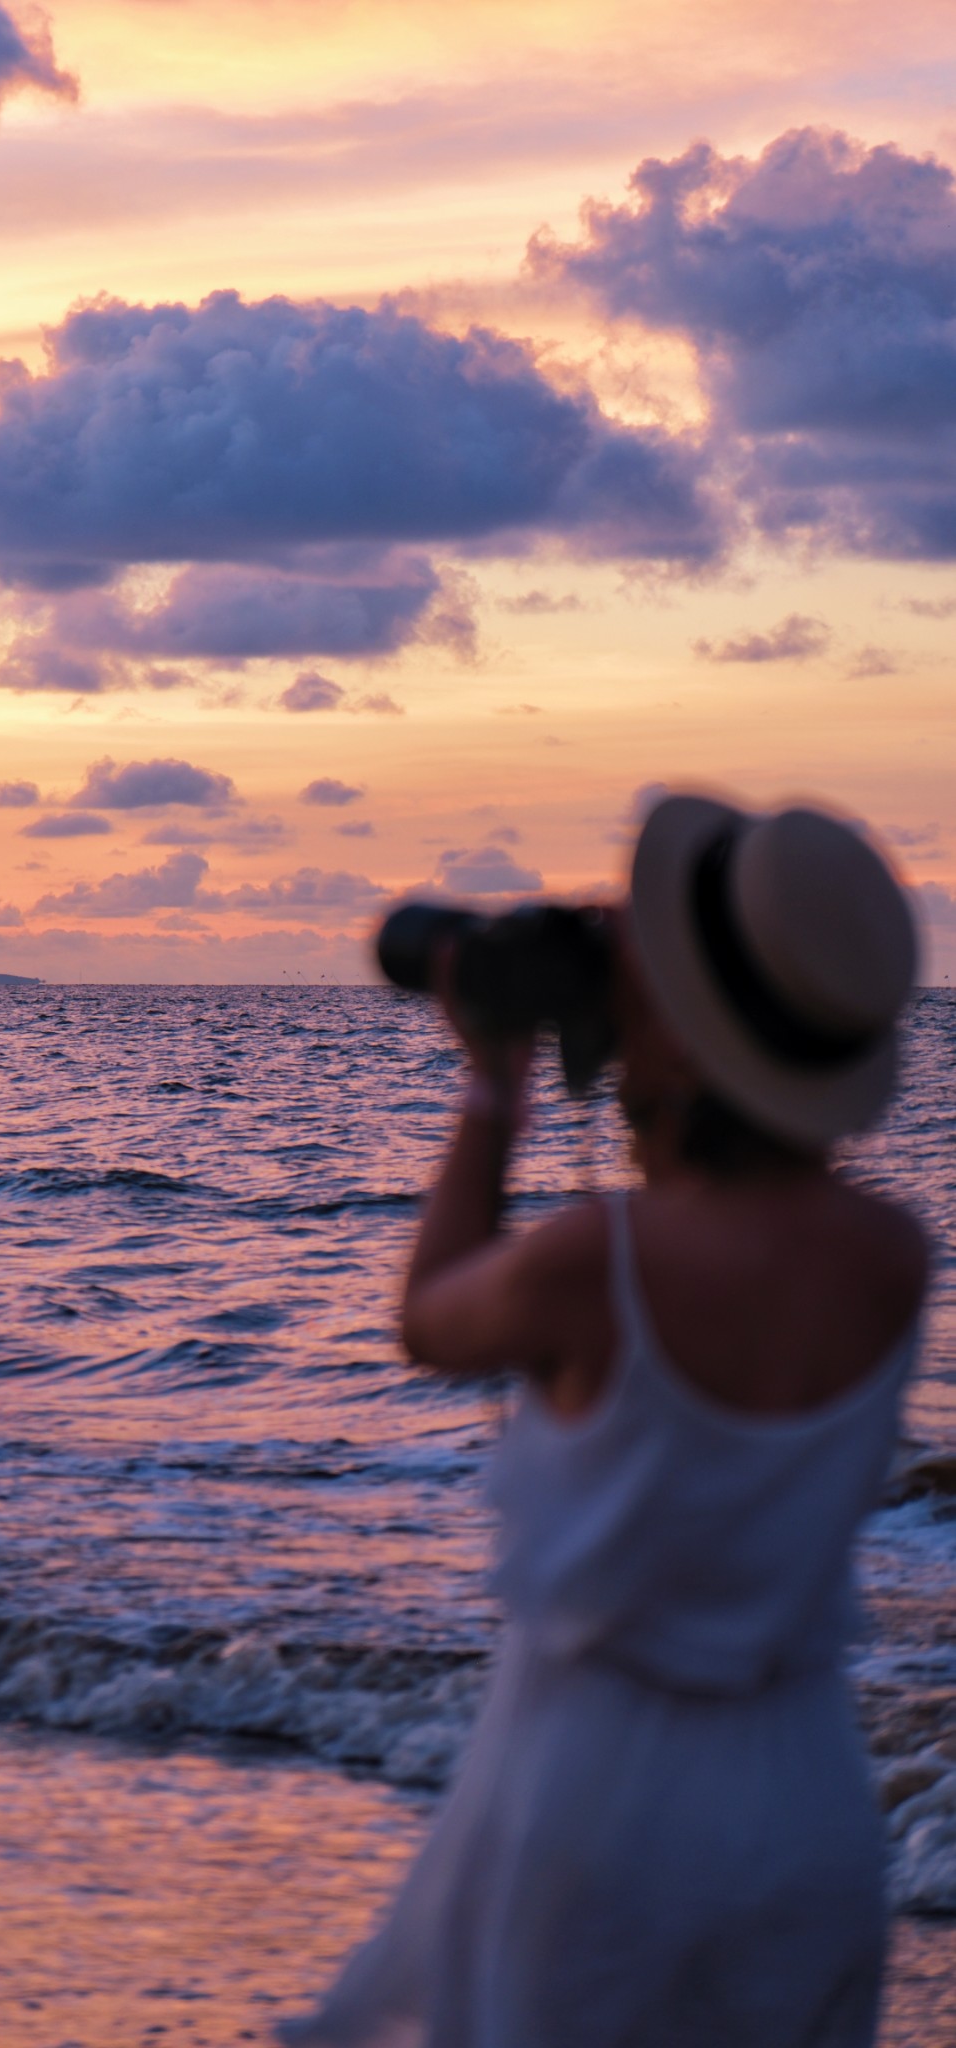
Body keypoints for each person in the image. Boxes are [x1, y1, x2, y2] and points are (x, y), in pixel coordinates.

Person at [280, 792, 928, 2048]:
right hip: (810, 1798)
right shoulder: (894, 1254)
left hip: (602, 1801)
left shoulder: (596, 1263)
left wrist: (494, 1086)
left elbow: (427, 1316)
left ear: (685, 1033)